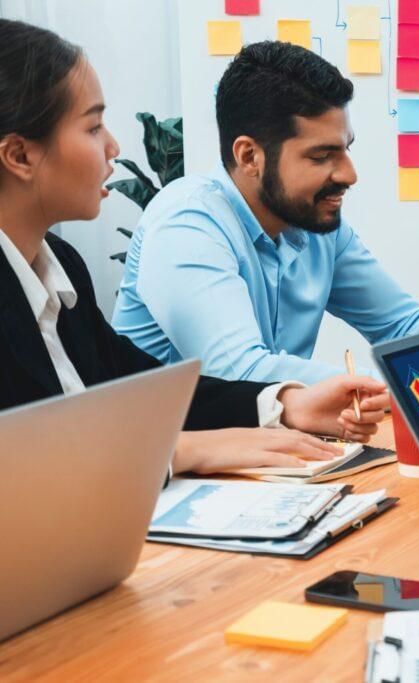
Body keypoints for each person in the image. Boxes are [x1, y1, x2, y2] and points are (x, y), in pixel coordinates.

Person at [0, 20, 388, 476]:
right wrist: (185, 450)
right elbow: (32, 462)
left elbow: (145, 391)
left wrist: (286, 404)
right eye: (92, 127)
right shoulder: (188, 217)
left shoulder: (59, 267)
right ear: (20, 156)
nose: (113, 146)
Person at [111, 41, 419, 385]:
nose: (349, 174)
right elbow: (239, 371)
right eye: (322, 156)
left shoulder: (316, 228)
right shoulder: (187, 223)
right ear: (249, 156)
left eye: (346, 150)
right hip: (178, 479)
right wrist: (386, 389)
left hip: (271, 456)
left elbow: (401, 324)